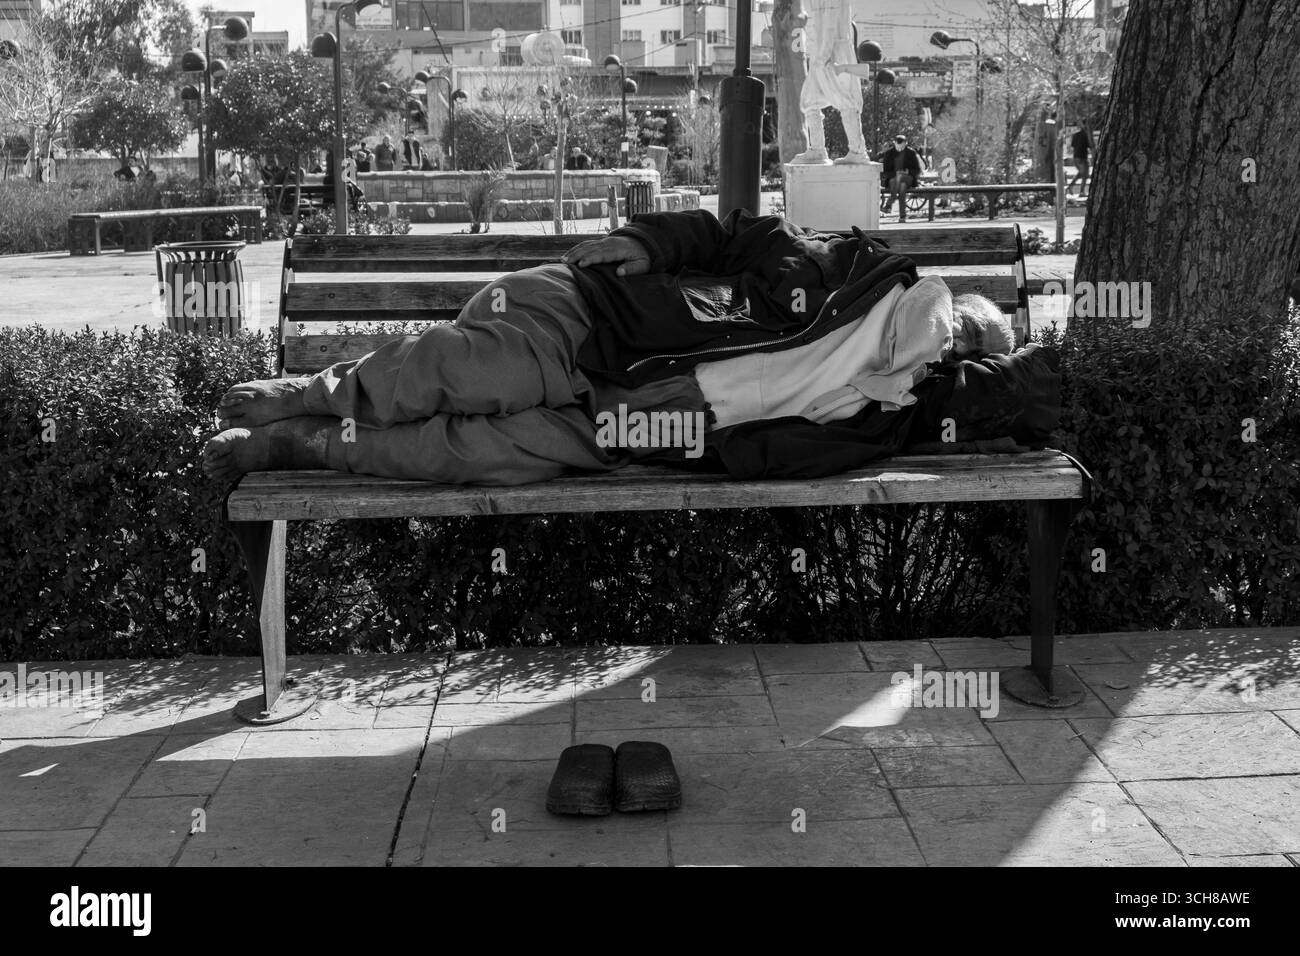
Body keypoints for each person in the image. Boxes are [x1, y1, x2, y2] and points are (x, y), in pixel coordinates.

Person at [205, 209, 1018, 487]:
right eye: (969, 332)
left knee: (466, 456)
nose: (955, 350)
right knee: (465, 371)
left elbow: (1006, 395)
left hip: (638, 429)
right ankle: (309, 394)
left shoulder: (885, 409)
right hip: (592, 320)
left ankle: (302, 448)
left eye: (969, 352)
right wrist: (646, 240)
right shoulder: (833, 273)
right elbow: (728, 231)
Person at [876, 134, 923, 221]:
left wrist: (908, 172)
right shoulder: (889, 153)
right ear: (894, 143)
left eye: (902, 144)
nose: (900, 146)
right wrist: (896, 173)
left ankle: (889, 205)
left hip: (908, 178)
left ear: (906, 143)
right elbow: (885, 172)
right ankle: (902, 216)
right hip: (893, 179)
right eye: (898, 143)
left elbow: (917, 170)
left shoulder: (911, 153)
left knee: (901, 178)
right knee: (902, 188)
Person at [1069, 125, 1093, 196]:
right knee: (1085, 175)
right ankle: (1082, 192)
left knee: (1081, 173)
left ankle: (1070, 186)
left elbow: (1072, 145)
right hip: (1082, 157)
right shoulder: (1086, 136)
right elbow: (1090, 145)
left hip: (1076, 157)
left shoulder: (1075, 135)